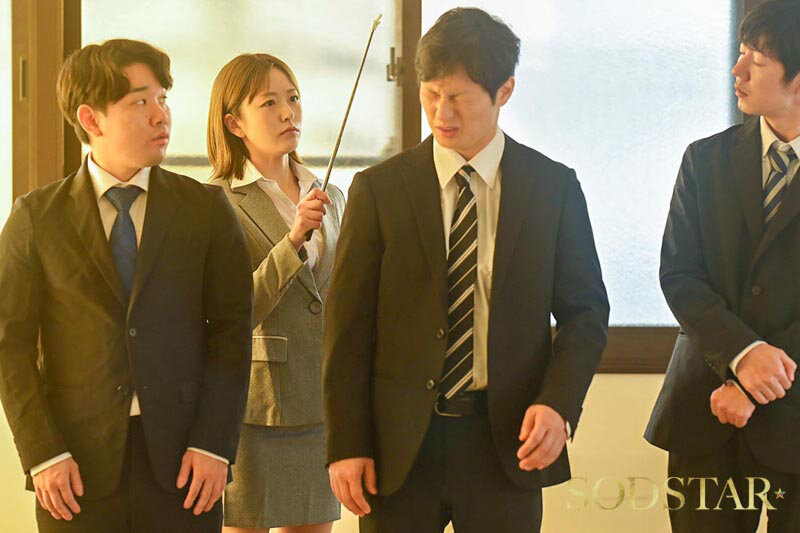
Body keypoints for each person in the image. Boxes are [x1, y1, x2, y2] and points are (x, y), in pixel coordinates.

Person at [322, 8, 609, 532]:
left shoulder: (552, 187)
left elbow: (585, 314)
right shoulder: (379, 189)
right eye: (431, 93)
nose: (441, 112)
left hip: (505, 444)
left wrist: (559, 404)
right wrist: (346, 442)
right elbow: (347, 328)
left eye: (459, 97)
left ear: (505, 91)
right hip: (399, 448)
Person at [0, 39, 253, 532]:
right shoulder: (36, 217)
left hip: (187, 467)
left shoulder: (205, 210)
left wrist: (214, 445)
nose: (161, 115)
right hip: (74, 471)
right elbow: (10, 346)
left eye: (163, 99)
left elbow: (232, 334)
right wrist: (43, 453)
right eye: (140, 101)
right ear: (91, 119)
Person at [644, 1, 800, 531]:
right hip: (705, 409)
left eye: (757, 59)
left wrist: (757, 380)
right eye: (740, 53)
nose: (738, 70)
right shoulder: (704, 160)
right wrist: (742, 354)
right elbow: (679, 274)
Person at [207, 53, 344, 533]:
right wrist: (292, 241)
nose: (289, 113)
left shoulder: (331, 194)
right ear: (234, 123)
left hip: (322, 403)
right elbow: (229, 315)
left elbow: (341, 297)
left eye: (294, 98)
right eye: (269, 103)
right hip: (257, 408)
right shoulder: (216, 201)